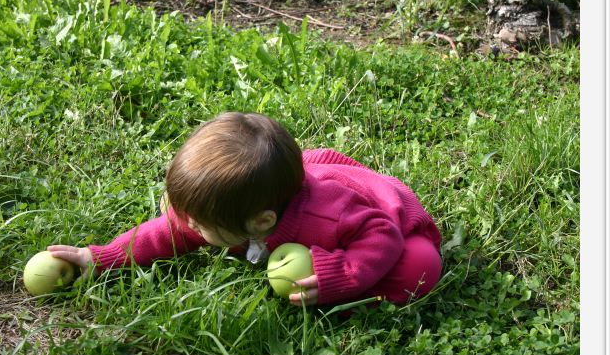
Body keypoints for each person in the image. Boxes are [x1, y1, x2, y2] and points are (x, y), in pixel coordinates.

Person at [48, 112, 442, 307]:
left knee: (418, 266)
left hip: (384, 213)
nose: (188, 228)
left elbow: (381, 234)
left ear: (262, 222)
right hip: (293, 192)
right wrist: (101, 257)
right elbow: (165, 232)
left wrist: (340, 278)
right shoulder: (228, 211)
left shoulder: (327, 218)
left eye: (199, 224)